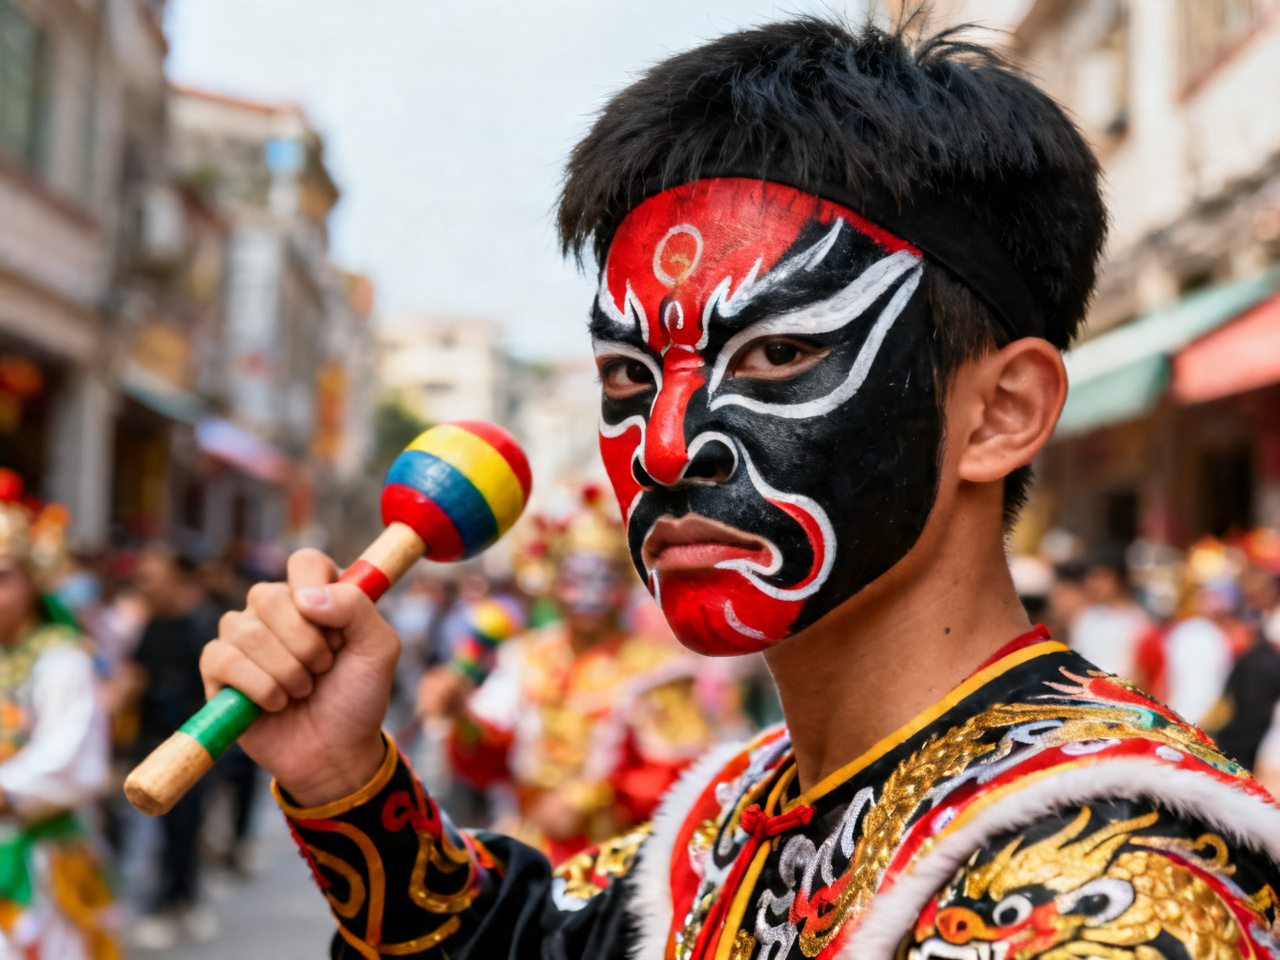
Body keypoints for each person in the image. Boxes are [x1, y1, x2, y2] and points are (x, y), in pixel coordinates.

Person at [198, 16, 1280, 960]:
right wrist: (342, 776)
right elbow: (519, 941)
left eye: (772, 357)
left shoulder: (1116, 896)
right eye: (627, 377)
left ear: (998, 413)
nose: (664, 446)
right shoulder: (734, 818)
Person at [422, 499, 711, 864]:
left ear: (622, 583)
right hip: (530, 853)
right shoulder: (527, 655)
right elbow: (489, 762)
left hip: (615, 861)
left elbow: (674, 776)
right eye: (576, 579)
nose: (589, 594)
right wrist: (462, 715)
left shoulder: (657, 668)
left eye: (602, 579)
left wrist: (587, 800)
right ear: (554, 582)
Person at [0, 474, 117, 959]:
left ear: (32, 577)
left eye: (2, 575)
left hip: (39, 857)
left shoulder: (61, 659)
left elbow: (73, 762)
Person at [126, 542, 222, 947]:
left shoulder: (203, 626)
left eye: (152, 576)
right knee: (163, 829)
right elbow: (139, 671)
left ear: (178, 580)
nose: (144, 584)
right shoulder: (152, 624)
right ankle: (174, 899)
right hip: (152, 742)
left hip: (193, 748)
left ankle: (176, 902)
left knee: (184, 827)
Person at [1068, 542, 1153, 682]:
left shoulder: (1138, 621)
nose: (1096, 584)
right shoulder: (1084, 616)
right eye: (1093, 576)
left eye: (1103, 577)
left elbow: (1140, 673)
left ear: (1120, 579)